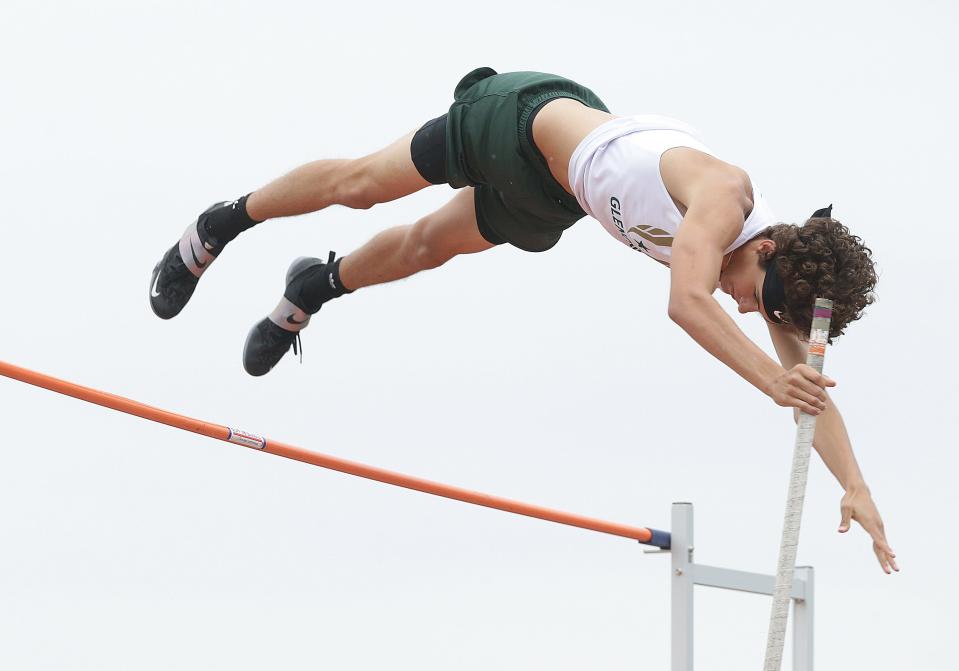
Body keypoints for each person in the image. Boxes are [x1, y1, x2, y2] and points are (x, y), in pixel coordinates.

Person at [148, 67, 897, 573]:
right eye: (754, 298)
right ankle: (219, 224)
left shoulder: (769, 272)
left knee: (421, 248)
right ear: (765, 246)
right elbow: (687, 302)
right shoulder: (723, 197)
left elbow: (809, 392)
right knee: (361, 185)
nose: (745, 307)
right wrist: (770, 380)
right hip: (520, 123)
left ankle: (313, 286)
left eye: (760, 314)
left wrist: (855, 483)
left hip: (557, 195)